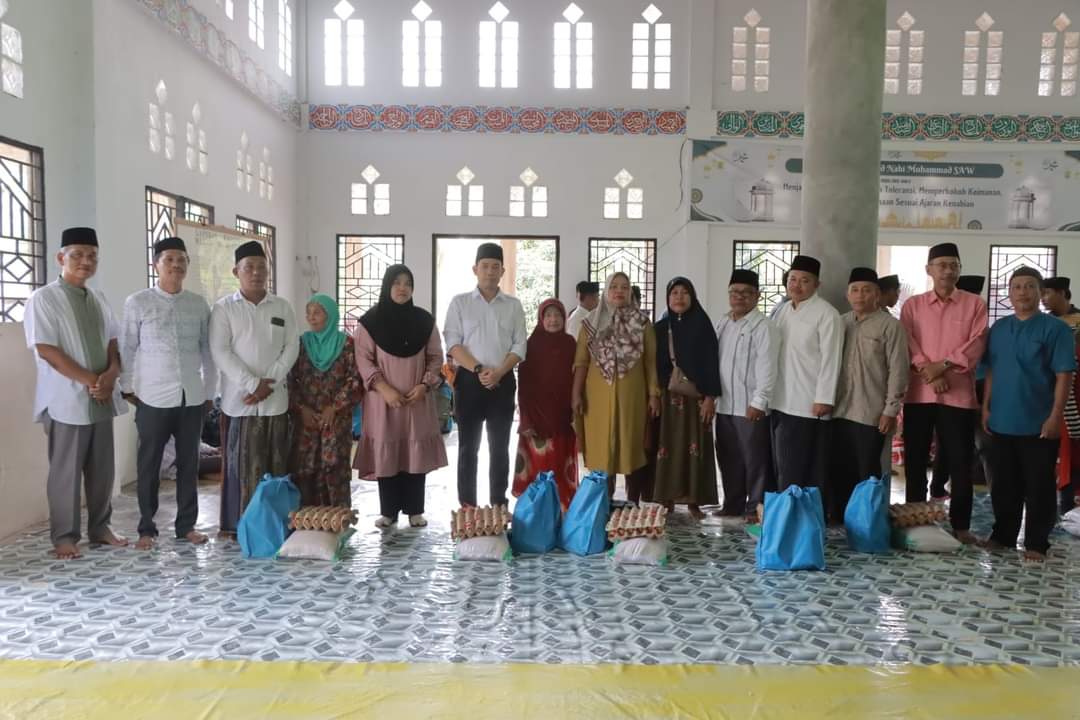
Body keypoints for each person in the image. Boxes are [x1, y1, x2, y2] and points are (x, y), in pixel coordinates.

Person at [24, 227, 129, 559]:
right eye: (78, 255)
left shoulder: (98, 298)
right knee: (66, 472)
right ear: (61, 258)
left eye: (92, 256)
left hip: (101, 397)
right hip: (67, 400)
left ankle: (100, 528)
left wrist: (111, 374)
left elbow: (113, 341)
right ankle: (64, 536)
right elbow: (46, 349)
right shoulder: (44, 298)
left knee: (102, 471)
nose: (86, 261)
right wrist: (91, 381)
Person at [119, 236, 215, 550]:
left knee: (190, 464)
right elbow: (128, 348)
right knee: (149, 465)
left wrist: (209, 392)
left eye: (182, 260)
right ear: (156, 264)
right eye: (169, 259)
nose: (176, 265)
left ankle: (186, 526)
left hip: (191, 397)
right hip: (153, 398)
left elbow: (207, 351)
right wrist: (127, 388)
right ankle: (147, 528)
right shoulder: (138, 302)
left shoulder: (198, 304)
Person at [981, 267, 1076, 562]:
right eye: (1017, 286)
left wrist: (1055, 416)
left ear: (1040, 292)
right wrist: (986, 406)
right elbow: (992, 371)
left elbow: (1064, 375)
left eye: (1029, 286)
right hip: (1002, 419)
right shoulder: (998, 329)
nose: (1022, 291)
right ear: (1009, 293)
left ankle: (1037, 542)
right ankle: (1003, 536)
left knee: (1039, 486)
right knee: (1003, 483)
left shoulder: (1056, 329)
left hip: (1038, 422)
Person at [209, 240, 299, 537]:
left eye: (262, 267)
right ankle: (244, 526)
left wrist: (268, 383)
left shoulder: (282, 306)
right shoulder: (224, 309)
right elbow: (221, 352)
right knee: (243, 467)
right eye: (250, 267)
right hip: (241, 402)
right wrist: (253, 384)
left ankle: (275, 525)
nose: (256, 273)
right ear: (237, 271)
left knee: (276, 464)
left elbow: (291, 347)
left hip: (275, 402)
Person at [900, 243, 987, 544]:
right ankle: (913, 520)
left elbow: (976, 344)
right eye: (941, 264)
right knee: (915, 461)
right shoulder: (912, 306)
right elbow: (908, 343)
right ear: (929, 270)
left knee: (961, 463)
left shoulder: (975, 304)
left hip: (958, 396)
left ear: (959, 269)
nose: (947, 270)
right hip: (919, 395)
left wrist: (943, 366)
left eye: (953, 264)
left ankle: (960, 526)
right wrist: (928, 370)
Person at [355, 265, 447, 527]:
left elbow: (435, 357)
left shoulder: (425, 321)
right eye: (397, 283)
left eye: (408, 283)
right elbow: (363, 360)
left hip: (416, 399)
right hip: (383, 401)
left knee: (413, 451)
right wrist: (385, 389)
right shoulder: (369, 323)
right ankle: (389, 512)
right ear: (387, 286)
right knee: (388, 451)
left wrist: (424, 386)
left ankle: (415, 510)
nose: (403, 288)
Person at [443, 243, 527, 507]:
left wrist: (499, 371)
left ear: (502, 271)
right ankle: (468, 505)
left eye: (495, 267)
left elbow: (519, 345)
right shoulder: (460, 303)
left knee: (500, 448)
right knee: (468, 448)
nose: (490, 271)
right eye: (485, 266)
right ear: (475, 269)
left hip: (502, 382)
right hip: (469, 382)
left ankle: (498, 504)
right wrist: (479, 369)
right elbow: (453, 343)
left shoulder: (513, 306)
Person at [831, 268, 909, 522]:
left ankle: (865, 520)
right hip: (838, 410)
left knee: (867, 470)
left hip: (871, 412)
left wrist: (890, 409)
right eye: (855, 290)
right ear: (847, 294)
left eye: (867, 290)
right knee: (839, 467)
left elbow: (898, 370)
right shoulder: (839, 323)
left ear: (877, 295)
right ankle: (841, 517)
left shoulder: (890, 326)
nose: (860, 295)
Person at [572, 272, 660, 495]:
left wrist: (653, 394)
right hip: (597, 396)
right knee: (602, 448)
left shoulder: (642, 323)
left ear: (630, 291)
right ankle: (604, 500)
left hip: (633, 396)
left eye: (624, 287)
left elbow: (650, 362)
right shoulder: (590, 322)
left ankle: (633, 503)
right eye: (614, 287)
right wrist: (576, 393)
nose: (619, 291)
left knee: (632, 446)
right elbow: (581, 361)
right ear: (606, 292)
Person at [770, 255, 843, 492]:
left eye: (804, 281)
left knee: (803, 468)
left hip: (808, 404)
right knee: (783, 465)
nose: (796, 285)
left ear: (816, 285)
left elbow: (832, 359)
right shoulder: (782, 311)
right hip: (780, 399)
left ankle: (802, 519)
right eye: (792, 279)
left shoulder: (826, 314)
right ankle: (786, 515)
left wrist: (824, 398)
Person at [652, 278, 722, 519]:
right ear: (667, 298)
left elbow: (712, 363)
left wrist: (711, 397)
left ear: (692, 297)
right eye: (674, 293)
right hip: (669, 399)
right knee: (667, 446)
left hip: (697, 399)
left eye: (684, 293)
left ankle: (694, 500)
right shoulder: (660, 329)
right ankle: (667, 498)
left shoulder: (703, 326)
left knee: (696, 447)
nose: (679, 297)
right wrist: (655, 394)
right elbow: (653, 365)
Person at [712, 269, 777, 522]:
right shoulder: (724, 322)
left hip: (751, 406)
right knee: (728, 458)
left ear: (757, 296)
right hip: (725, 404)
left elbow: (768, 367)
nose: (739, 297)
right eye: (734, 292)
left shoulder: (764, 326)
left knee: (755, 460)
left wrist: (759, 401)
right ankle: (732, 504)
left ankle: (755, 508)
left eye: (745, 293)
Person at [287, 294, 363, 509]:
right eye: (308, 313)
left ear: (330, 315)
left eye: (317, 312)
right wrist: (301, 409)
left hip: (336, 419)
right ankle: (307, 522)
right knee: (305, 467)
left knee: (334, 467)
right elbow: (289, 379)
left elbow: (355, 380)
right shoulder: (301, 344)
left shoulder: (347, 344)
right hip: (306, 419)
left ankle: (336, 523)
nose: (311, 318)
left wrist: (335, 407)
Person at [514, 298, 579, 510]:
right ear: (541, 318)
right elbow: (523, 385)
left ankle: (561, 511)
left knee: (559, 466)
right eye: (548, 316)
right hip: (535, 416)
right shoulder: (530, 345)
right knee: (538, 467)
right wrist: (526, 419)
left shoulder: (570, 343)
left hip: (561, 416)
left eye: (558, 316)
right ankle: (535, 513)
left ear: (564, 318)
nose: (553, 320)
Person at [929, 274, 990, 498]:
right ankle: (938, 485)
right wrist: (935, 372)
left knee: (959, 446)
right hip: (945, 388)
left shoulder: (979, 319)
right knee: (951, 443)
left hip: (973, 388)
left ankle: (946, 486)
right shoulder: (943, 317)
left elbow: (978, 349)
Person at [1042, 276, 1080, 514]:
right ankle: (1058, 502)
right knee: (1059, 451)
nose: (1043, 299)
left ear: (1063, 293)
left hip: (1075, 392)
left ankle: (1069, 502)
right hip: (1051, 394)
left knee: (1074, 450)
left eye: (1047, 293)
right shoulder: (1045, 323)